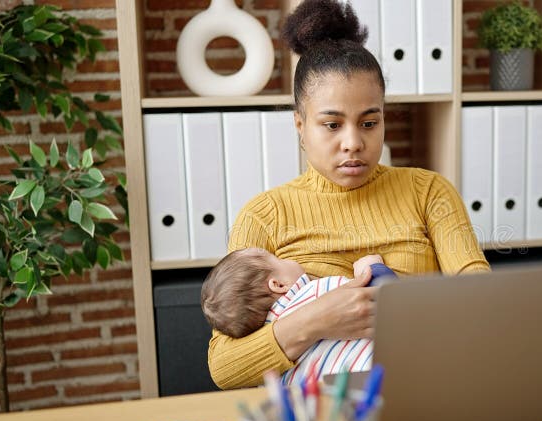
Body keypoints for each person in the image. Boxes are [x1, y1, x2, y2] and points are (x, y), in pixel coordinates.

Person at [208, 0, 490, 389]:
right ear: (300, 125)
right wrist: (318, 319)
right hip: (318, 418)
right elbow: (225, 368)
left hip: (425, 389)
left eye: (369, 122)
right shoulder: (264, 216)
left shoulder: (429, 192)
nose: (353, 143)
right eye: (332, 124)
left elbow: (484, 302)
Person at [201, 248, 390, 385]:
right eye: (278, 258)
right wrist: (374, 268)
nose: (288, 260)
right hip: (383, 376)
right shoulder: (316, 292)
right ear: (278, 284)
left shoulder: (272, 372)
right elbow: (385, 299)